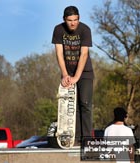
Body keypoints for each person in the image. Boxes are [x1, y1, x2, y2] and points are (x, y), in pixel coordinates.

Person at [52, 6, 94, 144]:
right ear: (64, 19)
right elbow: (59, 53)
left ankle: (86, 139)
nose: (73, 23)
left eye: (75, 20)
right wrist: (65, 75)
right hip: (68, 72)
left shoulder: (85, 30)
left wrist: (77, 77)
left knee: (85, 104)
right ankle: (74, 138)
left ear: (79, 18)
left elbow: (84, 54)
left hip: (85, 73)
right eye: (70, 20)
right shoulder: (58, 29)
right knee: (71, 105)